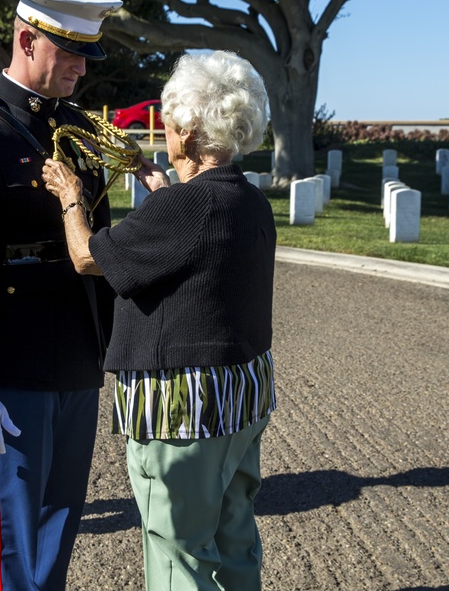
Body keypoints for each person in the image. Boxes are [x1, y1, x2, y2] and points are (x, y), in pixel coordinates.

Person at [41, 50, 278, 591]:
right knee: (235, 534)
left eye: (169, 122)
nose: (163, 131)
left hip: (184, 408)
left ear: (189, 130)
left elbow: (87, 257)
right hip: (241, 396)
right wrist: (165, 190)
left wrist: (71, 198)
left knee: (177, 550)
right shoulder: (248, 200)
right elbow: (200, 241)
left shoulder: (185, 209)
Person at [0, 0, 126, 590]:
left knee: (61, 523)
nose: (81, 67)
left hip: (76, 358)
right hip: (13, 369)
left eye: (86, 53)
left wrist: (118, 347)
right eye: (68, 51)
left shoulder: (79, 133)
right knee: (14, 540)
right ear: (26, 39)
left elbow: (102, 244)